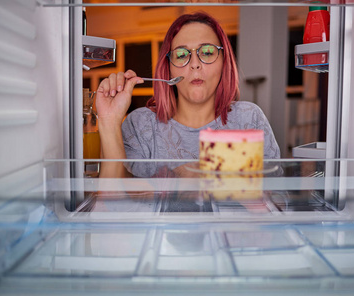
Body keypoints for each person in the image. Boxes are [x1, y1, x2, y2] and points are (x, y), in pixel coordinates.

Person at [96, 12, 280, 178]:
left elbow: (279, 199)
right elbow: (114, 201)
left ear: (225, 63)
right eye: (182, 55)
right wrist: (109, 120)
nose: (194, 64)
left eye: (207, 52)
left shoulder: (249, 118)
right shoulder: (140, 125)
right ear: (168, 69)